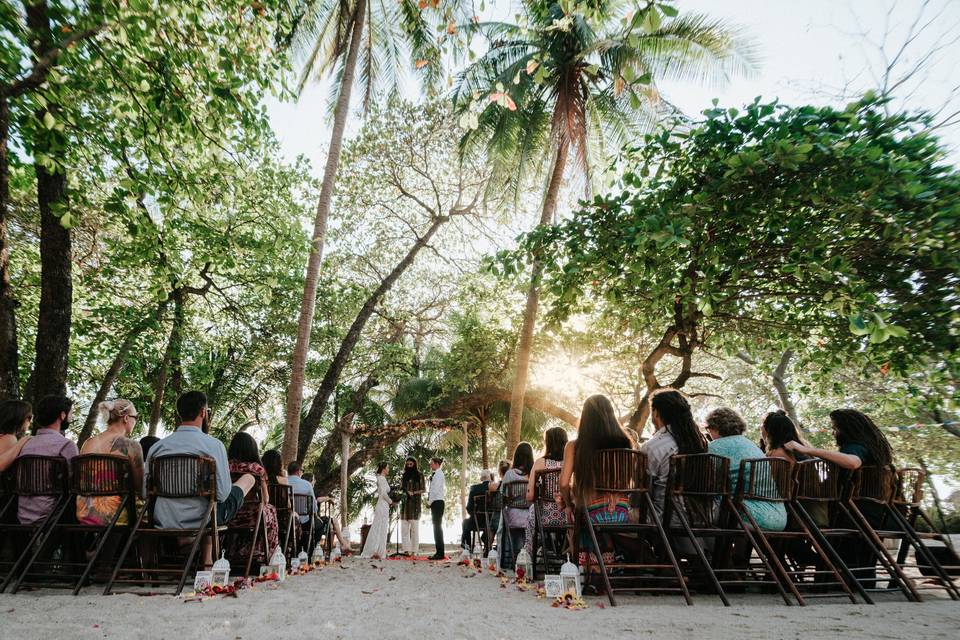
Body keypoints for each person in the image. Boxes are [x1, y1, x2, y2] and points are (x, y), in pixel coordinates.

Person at [784, 409, 896, 587]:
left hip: (854, 515)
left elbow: (852, 462)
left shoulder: (856, 447)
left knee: (796, 521)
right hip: (876, 514)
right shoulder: (874, 448)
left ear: (847, 429)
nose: (833, 432)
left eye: (835, 428)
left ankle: (809, 563)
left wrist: (806, 449)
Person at [145, 391, 255, 535]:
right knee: (248, 479)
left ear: (180, 414)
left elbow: (144, 491)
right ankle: (205, 555)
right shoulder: (214, 445)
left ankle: (194, 548)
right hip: (203, 520)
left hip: (163, 519)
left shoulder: (157, 448)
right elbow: (222, 494)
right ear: (203, 412)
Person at [559, 394, 632, 565]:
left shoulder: (575, 446)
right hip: (622, 512)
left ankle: (588, 564)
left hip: (592, 512)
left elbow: (563, 483)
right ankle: (607, 561)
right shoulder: (626, 443)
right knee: (582, 510)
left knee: (574, 511)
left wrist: (568, 504)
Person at [705, 407, 787, 531]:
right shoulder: (751, 446)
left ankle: (700, 550)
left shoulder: (714, 447)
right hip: (778, 516)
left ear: (714, 427)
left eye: (708, 429)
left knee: (690, 509)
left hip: (746, 516)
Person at [640, 388, 708, 518]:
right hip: (699, 518)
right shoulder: (701, 445)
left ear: (656, 413)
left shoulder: (652, 447)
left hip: (660, 518)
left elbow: (640, 496)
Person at [77, 399, 145, 525]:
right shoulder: (131, 445)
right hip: (115, 513)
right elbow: (140, 488)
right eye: (136, 417)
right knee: (150, 514)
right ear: (126, 418)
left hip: (84, 510)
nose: (136, 421)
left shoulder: (88, 443)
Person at [16, 396, 79, 524]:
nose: (71, 417)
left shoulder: (25, 443)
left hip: (22, 512)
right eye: (71, 413)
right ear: (62, 415)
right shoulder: (66, 445)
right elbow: (75, 480)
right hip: (53, 513)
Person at [226, 431, 279, 565]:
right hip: (251, 517)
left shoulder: (225, 467)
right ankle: (268, 554)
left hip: (227, 515)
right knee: (270, 510)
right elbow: (265, 499)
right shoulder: (256, 469)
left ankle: (234, 552)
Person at [523, 427, 568, 556]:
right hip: (569, 516)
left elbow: (530, 496)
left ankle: (529, 555)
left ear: (548, 442)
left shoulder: (540, 463)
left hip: (545, 517)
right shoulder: (571, 464)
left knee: (532, 510)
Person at [287, 461, 349, 551]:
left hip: (287, 521)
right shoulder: (307, 485)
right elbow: (314, 507)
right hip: (304, 522)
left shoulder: (283, 482)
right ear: (298, 471)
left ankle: (296, 549)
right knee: (319, 525)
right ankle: (311, 550)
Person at [499, 442, 534, 567]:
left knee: (510, 525)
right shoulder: (533, 474)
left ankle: (512, 561)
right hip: (530, 515)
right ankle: (527, 560)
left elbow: (502, 495)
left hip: (513, 516)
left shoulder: (509, 474)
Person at [360, 462, 394, 559]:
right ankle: (375, 551)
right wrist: (391, 501)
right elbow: (383, 493)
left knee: (381, 527)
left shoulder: (381, 478)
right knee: (379, 527)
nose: (388, 469)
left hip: (383, 504)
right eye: (387, 468)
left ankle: (379, 551)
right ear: (383, 469)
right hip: (383, 504)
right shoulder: (381, 478)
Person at [461, 469, 493, 550]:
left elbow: (469, 508)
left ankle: (467, 546)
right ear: (490, 478)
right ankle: (486, 541)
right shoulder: (494, 489)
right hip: (490, 521)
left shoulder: (474, 489)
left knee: (465, 523)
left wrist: (474, 514)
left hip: (477, 521)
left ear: (481, 478)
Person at [400, 457, 424, 555]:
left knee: (414, 530)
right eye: (407, 464)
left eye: (411, 464)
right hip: (404, 506)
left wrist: (413, 493)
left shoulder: (420, 475)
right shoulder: (404, 475)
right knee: (404, 529)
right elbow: (401, 488)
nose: (409, 466)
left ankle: (414, 550)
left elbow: (423, 489)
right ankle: (406, 550)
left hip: (415, 505)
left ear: (414, 464)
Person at [0, 399, 32, 472]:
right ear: (18, 418)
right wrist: (22, 441)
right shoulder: (9, 438)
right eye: (29, 418)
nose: (30, 422)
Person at [427, 456, 446, 560]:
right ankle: (439, 551)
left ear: (437, 464)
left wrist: (429, 502)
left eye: (432, 463)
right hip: (437, 502)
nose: (430, 465)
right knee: (436, 527)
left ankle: (440, 553)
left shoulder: (438, 474)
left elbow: (434, 490)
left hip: (437, 502)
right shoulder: (437, 474)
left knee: (437, 527)